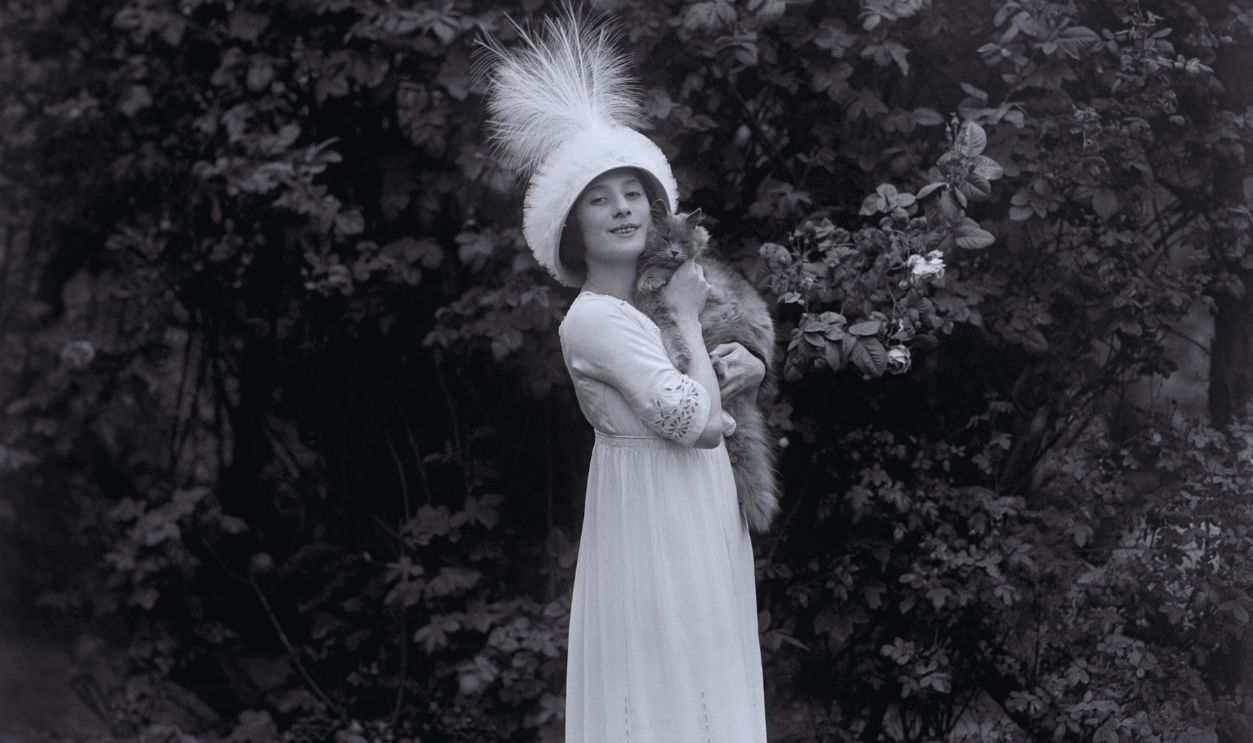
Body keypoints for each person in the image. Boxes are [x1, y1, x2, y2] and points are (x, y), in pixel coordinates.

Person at [478, 8, 768, 741]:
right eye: (599, 198)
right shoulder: (596, 321)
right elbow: (699, 422)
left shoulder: (670, 295)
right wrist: (690, 320)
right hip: (653, 518)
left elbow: (726, 358)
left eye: (633, 192)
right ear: (573, 225)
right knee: (663, 678)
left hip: (703, 510)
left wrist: (750, 362)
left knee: (707, 665)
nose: (622, 209)